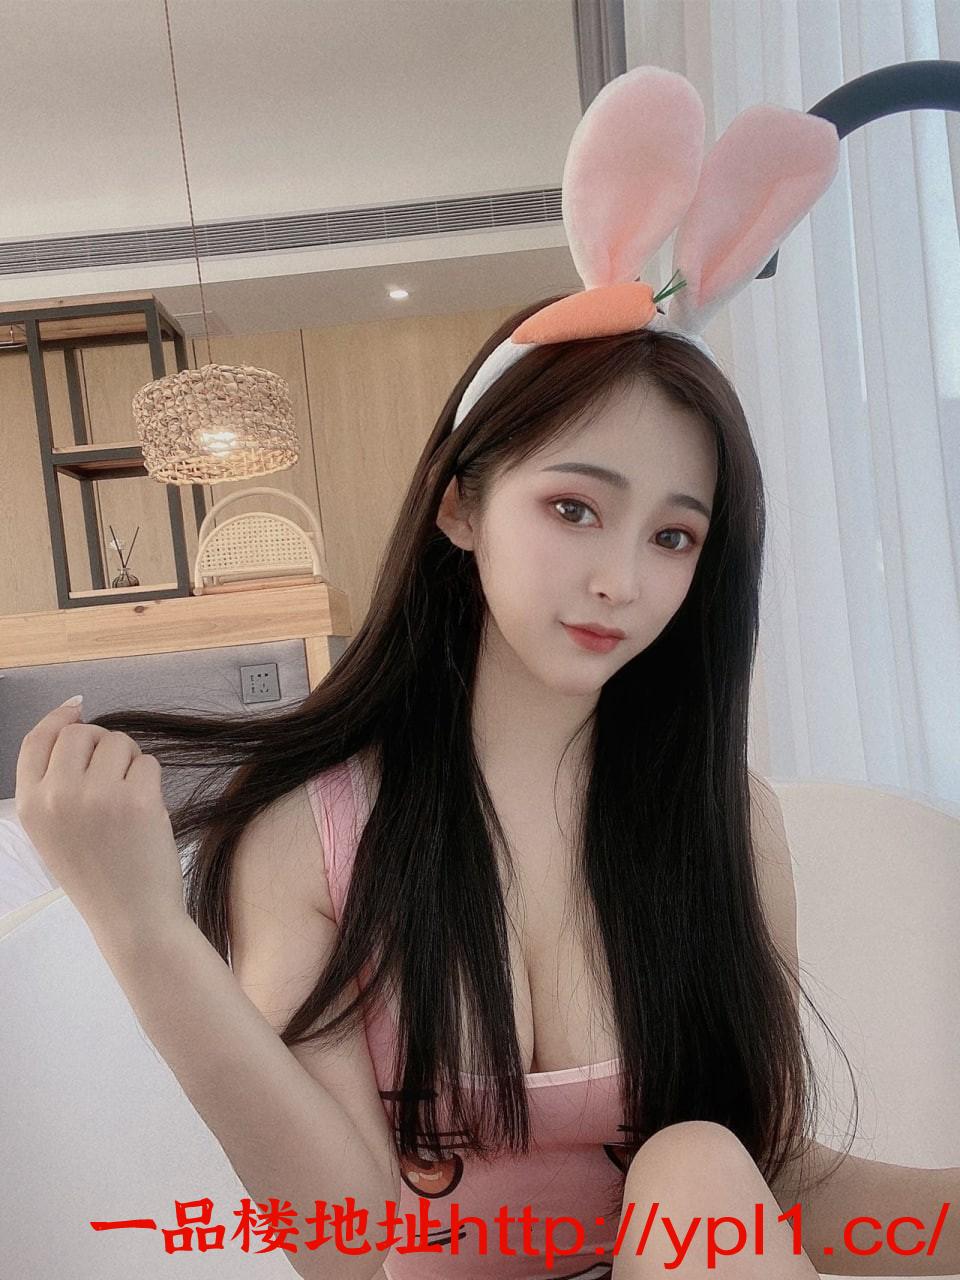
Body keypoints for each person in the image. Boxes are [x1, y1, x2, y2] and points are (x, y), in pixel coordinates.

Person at [18, 67, 959, 1279]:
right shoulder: (318, 834)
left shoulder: (725, 819)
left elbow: (773, 1184)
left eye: (674, 536)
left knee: (698, 1157)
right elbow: (346, 1246)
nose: (621, 578)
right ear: (459, 505)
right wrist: (141, 925)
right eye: (575, 507)